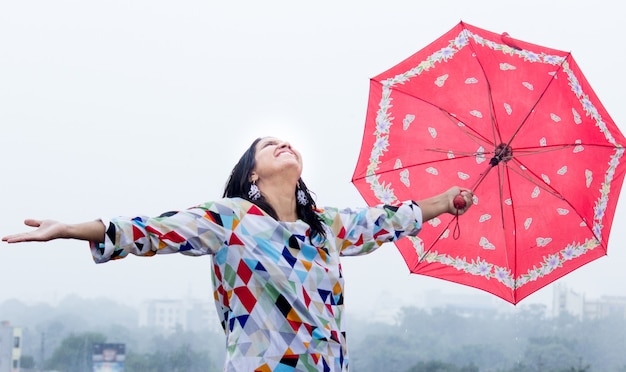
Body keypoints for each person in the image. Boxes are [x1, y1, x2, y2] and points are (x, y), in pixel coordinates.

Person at [2, 136, 473, 371]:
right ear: (253, 175)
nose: (283, 143)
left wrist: (446, 200)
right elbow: (150, 230)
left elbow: (389, 220)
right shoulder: (231, 219)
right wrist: (68, 229)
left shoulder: (326, 226)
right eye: (269, 145)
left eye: (286, 140)